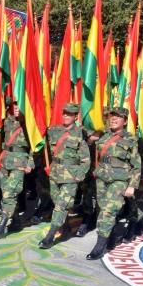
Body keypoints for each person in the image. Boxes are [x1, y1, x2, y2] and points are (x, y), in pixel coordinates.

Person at [85, 107, 141, 260]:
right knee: (103, 209)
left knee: (108, 211)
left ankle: (99, 246)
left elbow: (136, 164)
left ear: (125, 121)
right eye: (112, 116)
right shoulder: (103, 136)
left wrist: (132, 185)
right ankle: (112, 235)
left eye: (118, 117)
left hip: (119, 180)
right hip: (102, 179)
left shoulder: (130, 139)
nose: (114, 119)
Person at [38, 103, 90, 249]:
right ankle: (66, 226)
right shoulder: (54, 130)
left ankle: (50, 235)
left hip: (70, 176)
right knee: (57, 202)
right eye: (65, 113)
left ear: (75, 116)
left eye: (70, 114)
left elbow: (86, 159)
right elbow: (40, 133)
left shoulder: (81, 132)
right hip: (55, 173)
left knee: (61, 205)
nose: (66, 116)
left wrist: (79, 175)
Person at [0, 100, 34, 239]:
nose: (17, 108)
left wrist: (30, 163)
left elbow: (36, 146)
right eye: (15, 105)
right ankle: (16, 221)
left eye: (20, 105)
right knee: (7, 191)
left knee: (9, 193)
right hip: (6, 160)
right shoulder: (7, 121)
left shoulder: (31, 124)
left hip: (20, 161)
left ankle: (1, 227)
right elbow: (3, 144)